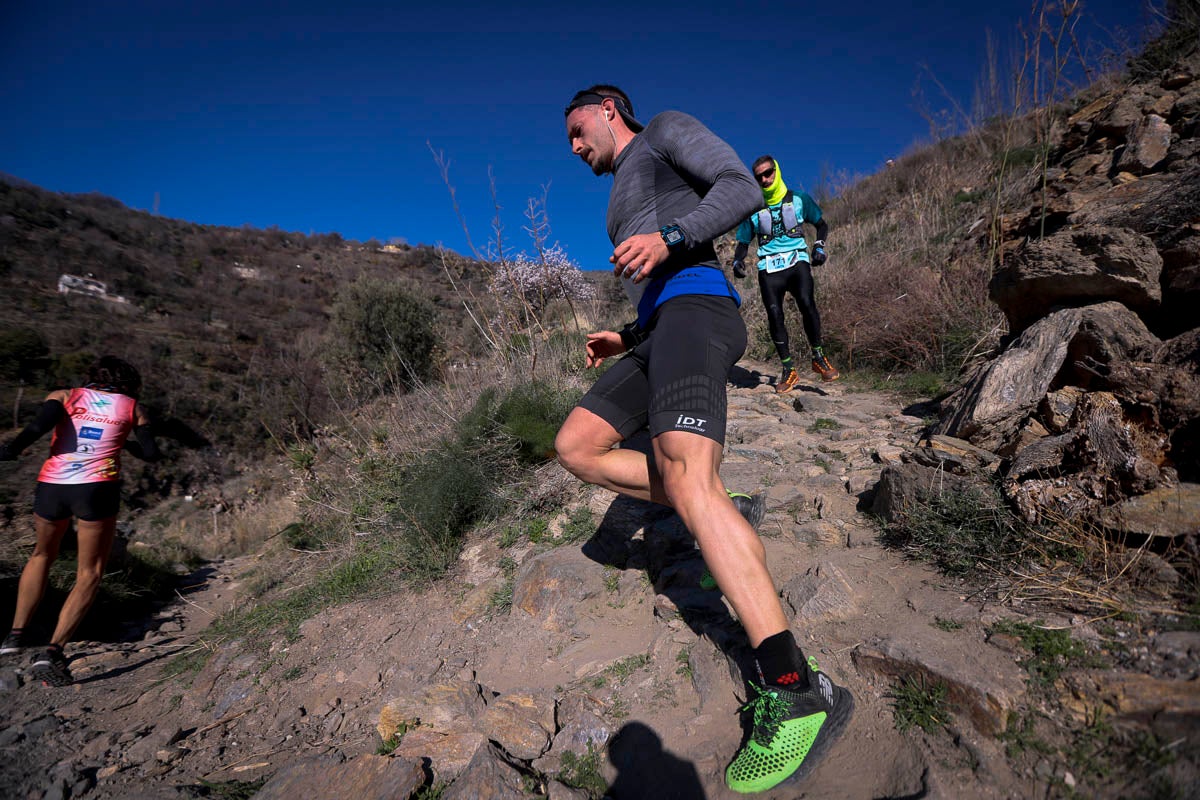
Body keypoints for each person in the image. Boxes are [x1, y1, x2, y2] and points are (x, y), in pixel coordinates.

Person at [557, 85, 853, 794]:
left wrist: (671, 237)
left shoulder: (662, 130)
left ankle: (797, 687)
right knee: (577, 446)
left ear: (607, 107)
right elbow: (652, 278)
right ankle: (714, 505)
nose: (573, 148)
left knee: (688, 477)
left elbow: (737, 190)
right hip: (658, 328)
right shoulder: (620, 192)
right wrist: (625, 333)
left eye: (575, 130)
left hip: (700, 307)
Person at [0, 355, 159, 686]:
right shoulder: (134, 408)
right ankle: (52, 651)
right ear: (130, 383)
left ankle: (15, 637)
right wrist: (126, 441)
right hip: (96, 490)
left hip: (52, 486)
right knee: (89, 573)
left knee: (41, 554)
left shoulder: (63, 396)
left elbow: (37, 428)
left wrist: (11, 449)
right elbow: (151, 454)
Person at [732, 156, 840, 392]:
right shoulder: (753, 209)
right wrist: (738, 261)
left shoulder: (799, 199)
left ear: (776, 171)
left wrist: (819, 247)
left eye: (768, 172)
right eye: (759, 176)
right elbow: (742, 241)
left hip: (797, 261)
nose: (764, 179)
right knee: (774, 315)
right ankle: (788, 369)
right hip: (769, 269)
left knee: (807, 303)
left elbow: (821, 224)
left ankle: (818, 357)